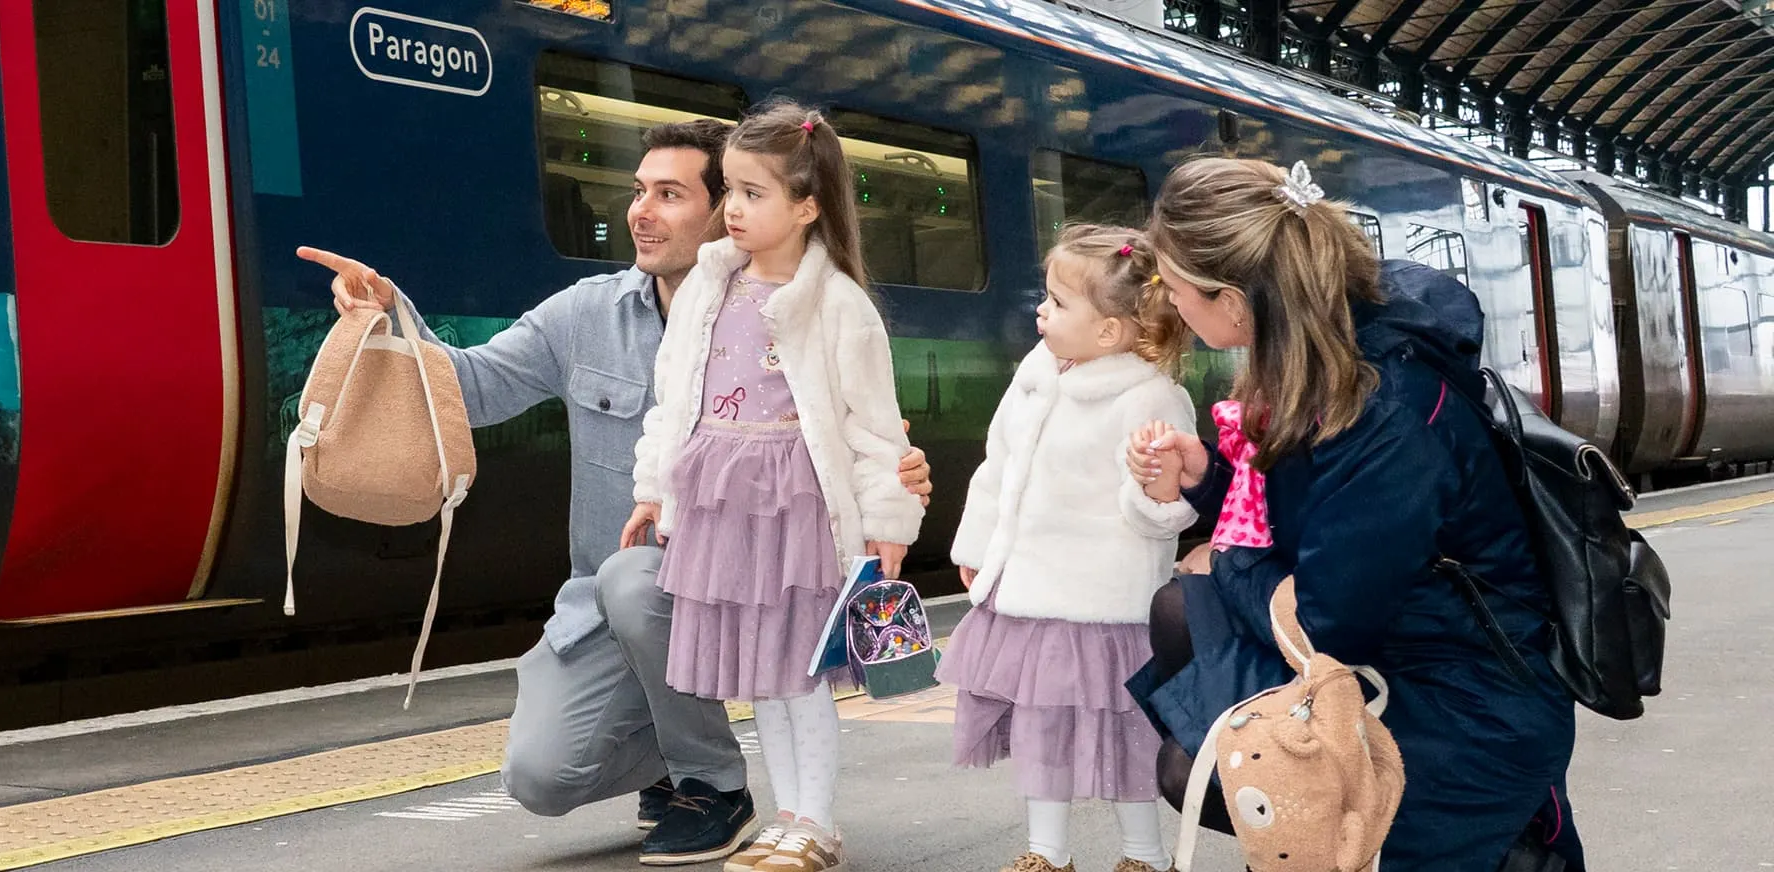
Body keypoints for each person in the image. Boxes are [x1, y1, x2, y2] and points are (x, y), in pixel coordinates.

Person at [297, 117, 938, 867]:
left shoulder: (818, 305)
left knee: (670, 600)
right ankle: (679, 758)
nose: (641, 211)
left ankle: (718, 787)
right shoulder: (593, 313)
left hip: (742, 556)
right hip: (621, 611)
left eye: (671, 194)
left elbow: (859, 428)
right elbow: (467, 387)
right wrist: (387, 314)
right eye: (639, 192)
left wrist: (889, 501)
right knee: (541, 773)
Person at [1123, 157, 1585, 869]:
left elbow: (1329, 619)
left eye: (1176, 288)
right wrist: (1211, 482)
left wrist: (1230, 555)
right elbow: (1318, 517)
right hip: (1401, 663)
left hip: (1467, 707)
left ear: (1234, 300)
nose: (1171, 305)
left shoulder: (1387, 411)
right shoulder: (1331, 356)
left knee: (1202, 765)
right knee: (1181, 623)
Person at [624, 99, 922, 872]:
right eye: (729, 190)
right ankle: (786, 818)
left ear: (808, 207)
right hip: (721, 505)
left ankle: (817, 825)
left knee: (797, 674)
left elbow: (873, 428)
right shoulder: (707, 288)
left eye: (755, 194)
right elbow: (673, 399)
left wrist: (887, 520)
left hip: (797, 513)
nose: (734, 210)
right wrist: (654, 486)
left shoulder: (841, 306)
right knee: (761, 676)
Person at [942, 226, 1196, 872]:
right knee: (1042, 730)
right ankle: (1045, 853)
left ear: (1110, 332)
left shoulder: (1152, 397)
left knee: (1122, 735)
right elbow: (997, 466)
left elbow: (1164, 515)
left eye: (1056, 303)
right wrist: (978, 546)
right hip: (1028, 596)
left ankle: (1143, 854)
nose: (1041, 311)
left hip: (1105, 608)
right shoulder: (1036, 376)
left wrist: (1153, 486)